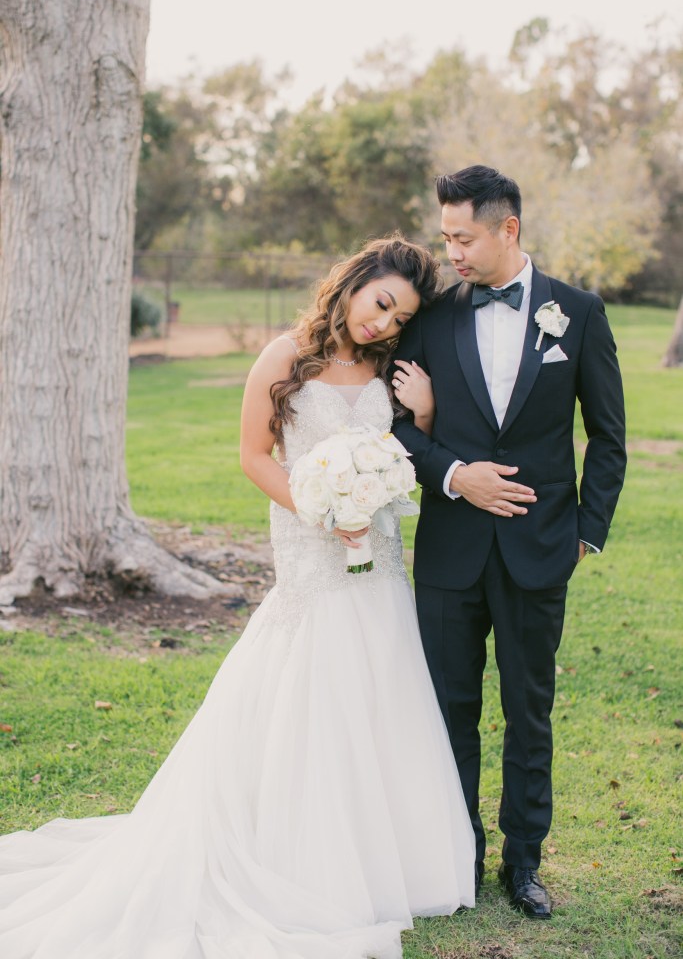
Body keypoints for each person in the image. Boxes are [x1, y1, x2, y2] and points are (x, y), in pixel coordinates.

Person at [0, 235, 475, 959]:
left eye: (400, 318)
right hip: (312, 551)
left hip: (378, 560)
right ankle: (299, 858)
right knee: (309, 695)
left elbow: (405, 455)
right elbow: (254, 455)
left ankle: (390, 863)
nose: (383, 324)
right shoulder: (285, 355)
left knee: (381, 692)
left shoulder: (392, 370)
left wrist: (428, 412)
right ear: (354, 281)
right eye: (381, 304)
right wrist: (321, 509)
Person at [392, 166, 626, 919]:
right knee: (448, 709)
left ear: (508, 228)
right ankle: (455, 857)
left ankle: (523, 863)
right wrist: (455, 474)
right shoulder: (431, 317)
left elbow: (608, 436)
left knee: (529, 713)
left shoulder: (578, 313)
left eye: (463, 238)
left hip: (541, 549)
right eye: (445, 237)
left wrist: (586, 534)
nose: (451, 252)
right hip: (449, 551)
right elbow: (394, 428)